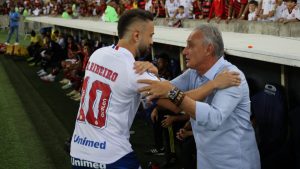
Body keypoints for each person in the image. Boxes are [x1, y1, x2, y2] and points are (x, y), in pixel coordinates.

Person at [70, 9, 240, 169]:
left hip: (78, 150)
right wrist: (214, 84)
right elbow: (175, 104)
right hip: (111, 156)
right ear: (136, 35)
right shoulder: (135, 70)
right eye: (150, 35)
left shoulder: (98, 54)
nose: (152, 41)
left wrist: (155, 76)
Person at [137, 25, 261, 169]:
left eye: (190, 46)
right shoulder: (194, 73)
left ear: (208, 49)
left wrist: (169, 92)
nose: (184, 52)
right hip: (206, 160)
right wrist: (154, 78)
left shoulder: (232, 76)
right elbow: (167, 98)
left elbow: (214, 118)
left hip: (234, 162)